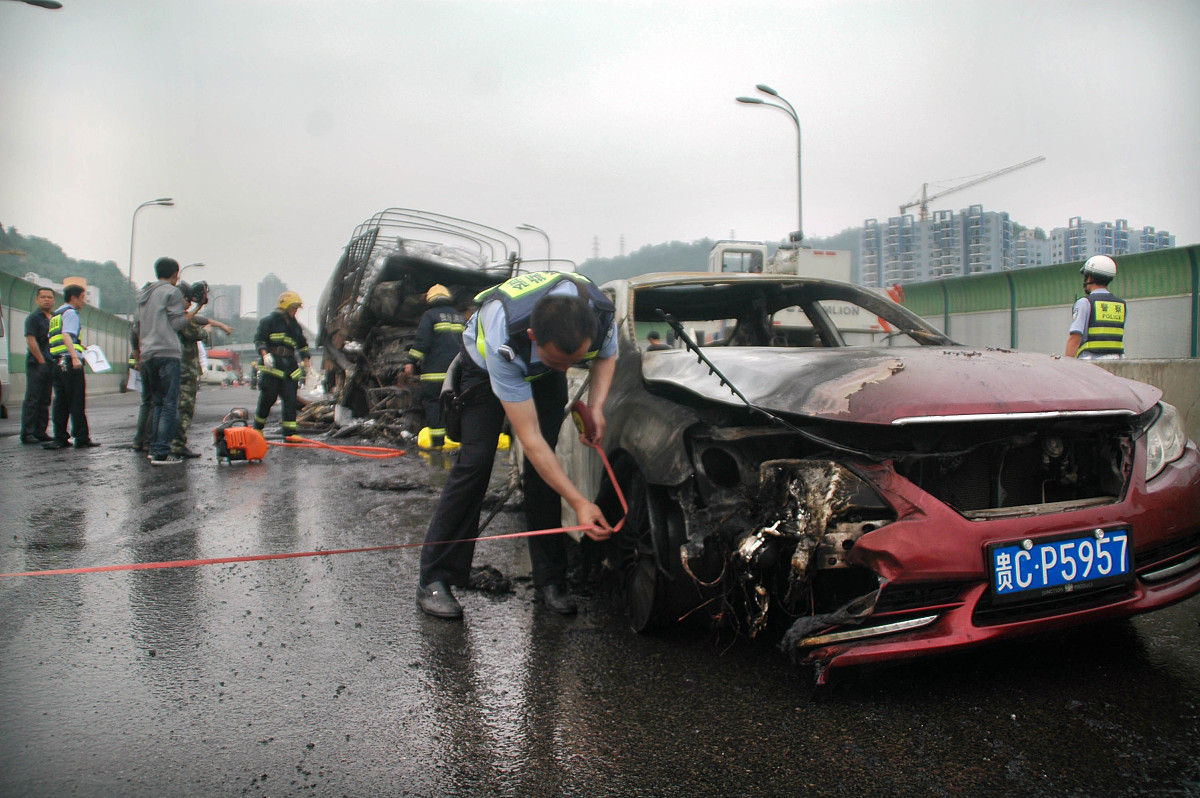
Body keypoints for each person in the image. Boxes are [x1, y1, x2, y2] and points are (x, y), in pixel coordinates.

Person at [416, 270, 616, 621]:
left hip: (540, 373)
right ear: (533, 336)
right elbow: (531, 440)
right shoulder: (503, 335)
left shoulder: (598, 314)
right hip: (482, 369)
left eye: (574, 362)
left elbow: (605, 357)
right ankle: (435, 578)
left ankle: (551, 581)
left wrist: (596, 407)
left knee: (546, 471)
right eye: (560, 362)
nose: (568, 369)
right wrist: (580, 503)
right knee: (476, 463)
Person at [135, 257, 198, 465]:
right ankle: (161, 451)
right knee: (170, 404)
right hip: (167, 352)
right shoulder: (172, 292)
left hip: (148, 353)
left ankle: (155, 449)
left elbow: (136, 326)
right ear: (175, 275)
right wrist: (196, 310)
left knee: (158, 402)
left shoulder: (145, 293)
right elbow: (178, 323)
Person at [171, 282, 233, 458]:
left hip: (174, 367)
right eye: (187, 298)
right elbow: (196, 332)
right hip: (185, 369)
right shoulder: (179, 318)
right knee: (184, 408)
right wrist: (207, 331)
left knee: (169, 407)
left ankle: (163, 442)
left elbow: (197, 319)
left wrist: (215, 322)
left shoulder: (170, 315)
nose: (189, 303)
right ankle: (177, 445)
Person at [404, 284, 466, 448]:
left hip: (434, 375)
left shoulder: (430, 315)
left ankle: (438, 444)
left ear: (430, 300)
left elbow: (422, 342)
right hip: (457, 373)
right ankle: (456, 441)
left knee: (434, 405)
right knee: (455, 406)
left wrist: (411, 361)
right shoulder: (459, 317)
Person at [43, 285, 99, 450]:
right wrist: (75, 356)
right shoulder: (71, 313)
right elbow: (67, 335)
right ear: (74, 298)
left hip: (57, 362)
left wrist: (81, 348)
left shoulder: (56, 315)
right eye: (82, 297)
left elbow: (58, 339)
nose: (84, 301)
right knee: (76, 401)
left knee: (61, 402)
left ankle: (60, 438)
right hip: (69, 362)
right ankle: (81, 438)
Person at [254, 291, 311, 438]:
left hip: (290, 368)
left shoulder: (295, 326)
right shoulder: (269, 321)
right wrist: (264, 354)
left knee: (290, 400)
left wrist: (307, 364)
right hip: (272, 366)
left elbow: (302, 345)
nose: (295, 311)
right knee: (268, 399)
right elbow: (260, 340)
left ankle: (290, 433)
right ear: (285, 306)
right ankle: (257, 430)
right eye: (293, 307)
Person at [1066, 255, 1126, 360]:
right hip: (1117, 361)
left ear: (1090, 278)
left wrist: (1065, 365)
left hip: (1090, 363)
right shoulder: (1121, 304)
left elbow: (1075, 337)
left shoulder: (1084, 302)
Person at [20, 287, 57, 444]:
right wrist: (41, 361)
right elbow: (31, 340)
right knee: (33, 398)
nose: (46, 299)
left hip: (52, 363)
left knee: (45, 399)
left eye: (49, 297)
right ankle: (27, 433)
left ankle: (40, 431)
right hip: (37, 364)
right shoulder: (33, 318)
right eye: (43, 297)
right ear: (37, 299)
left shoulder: (56, 318)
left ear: (54, 300)